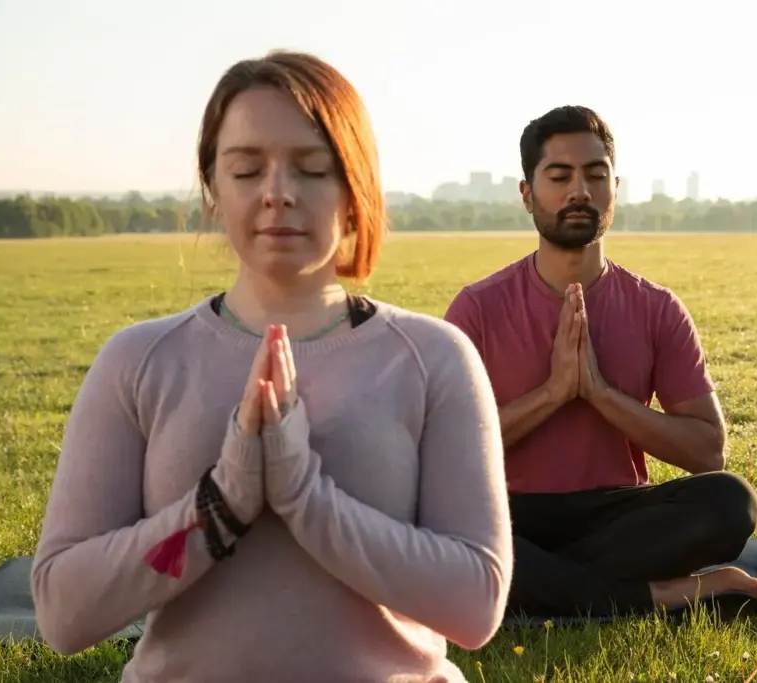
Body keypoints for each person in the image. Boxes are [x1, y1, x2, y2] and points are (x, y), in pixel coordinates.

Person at [31, 50, 513, 682]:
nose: (278, 193)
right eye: (246, 169)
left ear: (355, 190)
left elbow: (475, 604)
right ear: (212, 188)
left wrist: (304, 495)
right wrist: (222, 503)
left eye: (312, 169)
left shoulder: (432, 357)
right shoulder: (140, 360)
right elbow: (63, 612)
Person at [443, 105, 757, 620]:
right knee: (434, 520)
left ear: (614, 189)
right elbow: (445, 454)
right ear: (527, 193)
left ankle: (535, 581)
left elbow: (707, 452)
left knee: (730, 501)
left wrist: (599, 393)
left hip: (616, 515)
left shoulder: (656, 307)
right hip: (507, 512)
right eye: (560, 176)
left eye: (595, 175)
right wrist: (553, 393)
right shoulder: (478, 308)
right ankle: (669, 593)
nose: (579, 191)